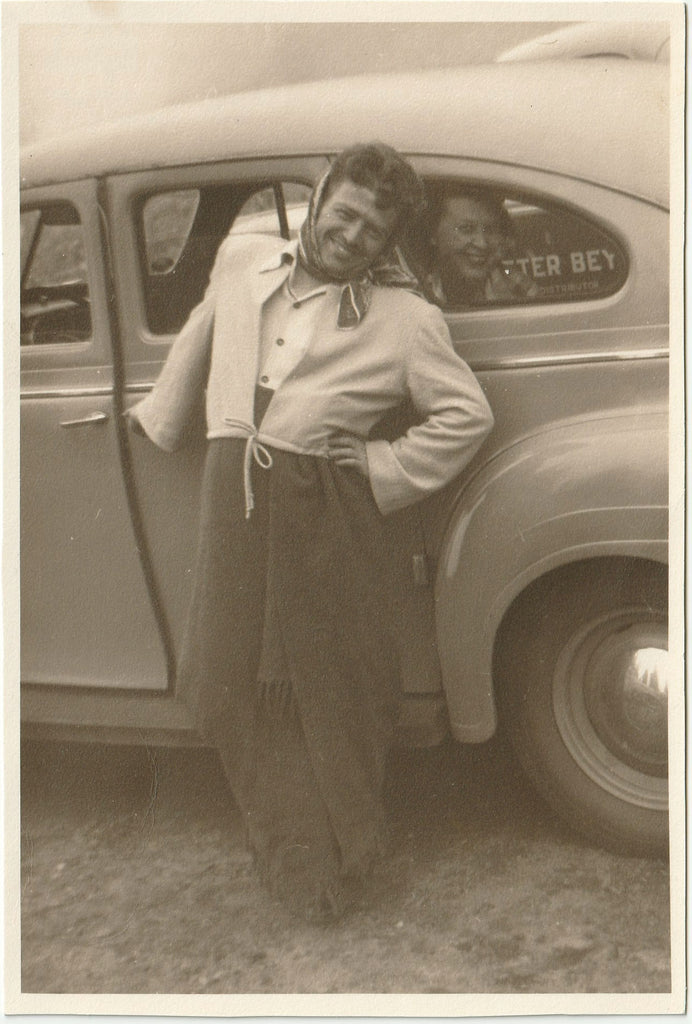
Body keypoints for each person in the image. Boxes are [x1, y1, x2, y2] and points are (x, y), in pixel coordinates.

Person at [127, 143, 494, 923]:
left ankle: (342, 850)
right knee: (229, 675)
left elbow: (468, 415)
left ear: (389, 240)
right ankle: (292, 844)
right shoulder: (243, 263)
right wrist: (161, 419)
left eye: (374, 229)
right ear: (321, 198)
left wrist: (378, 460)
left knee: (324, 681)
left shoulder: (406, 318)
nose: (353, 235)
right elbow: (199, 332)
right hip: (232, 496)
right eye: (347, 213)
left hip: (324, 510)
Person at [422, 183, 537, 307]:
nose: (482, 244)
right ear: (433, 233)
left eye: (490, 230)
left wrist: (507, 305)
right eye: (466, 229)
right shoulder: (419, 290)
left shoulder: (513, 281)